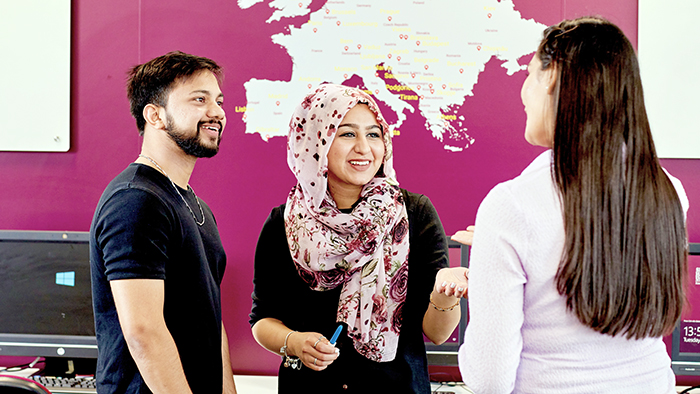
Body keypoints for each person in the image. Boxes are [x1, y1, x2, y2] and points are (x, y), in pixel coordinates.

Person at [458, 17, 689, 393]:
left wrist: (492, 277)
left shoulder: (512, 206)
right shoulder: (669, 191)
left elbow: (489, 381)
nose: (523, 91)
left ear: (551, 77)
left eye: (530, 73)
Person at [249, 83, 469, 393]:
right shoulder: (283, 222)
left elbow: (437, 332)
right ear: (316, 141)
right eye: (347, 133)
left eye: (374, 134)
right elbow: (263, 319)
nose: (364, 148)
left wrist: (446, 295)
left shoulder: (413, 213)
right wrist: (294, 342)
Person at [90, 51, 236, 394]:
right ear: (155, 115)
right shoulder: (136, 200)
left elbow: (212, 321)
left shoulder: (195, 205)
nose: (216, 112)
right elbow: (145, 332)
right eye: (199, 99)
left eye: (218, 100)